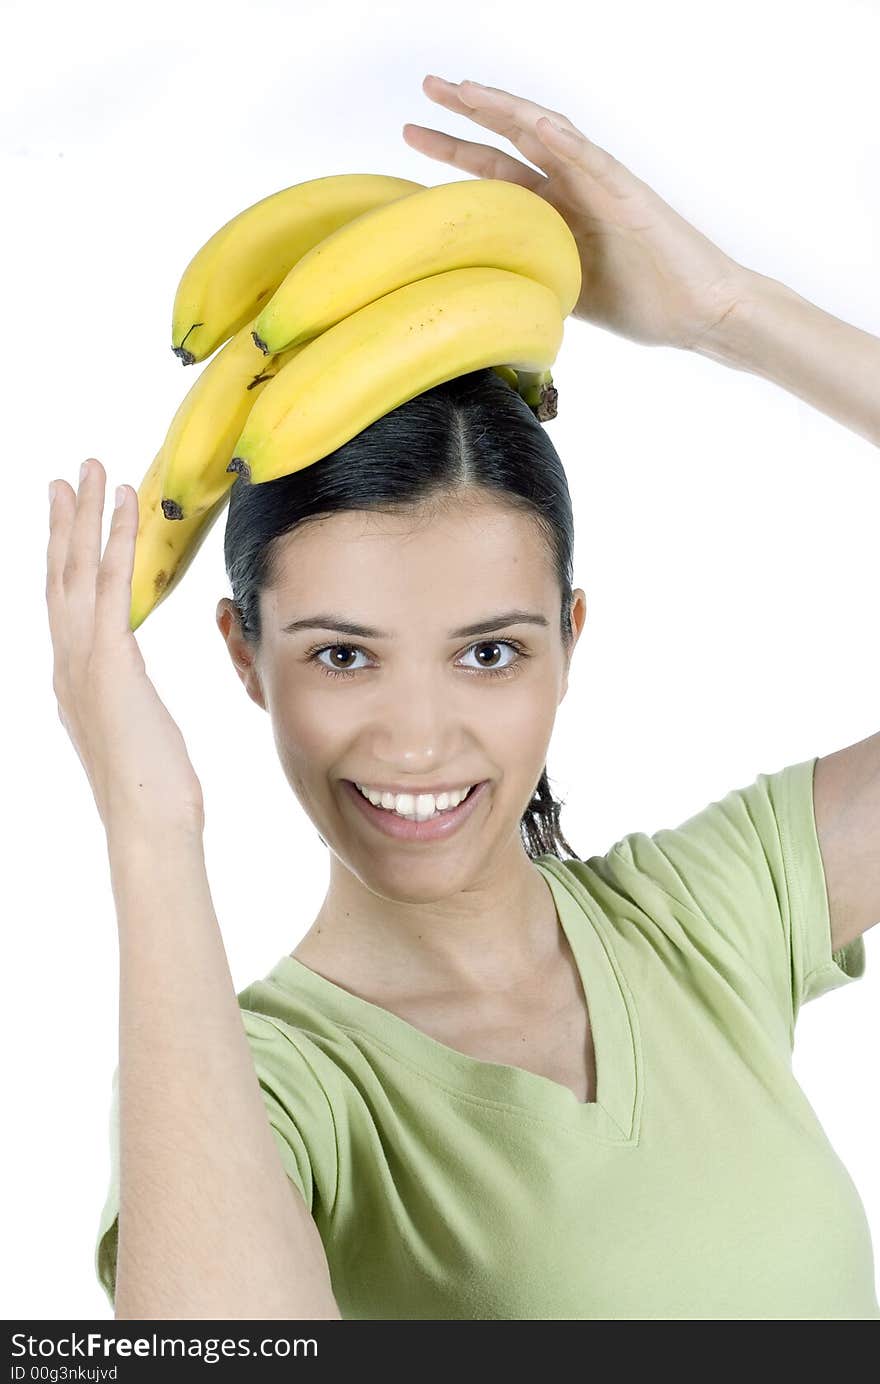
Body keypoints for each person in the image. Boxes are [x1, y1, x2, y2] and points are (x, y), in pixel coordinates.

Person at [47, 76, 878, 1320]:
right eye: (342, 655)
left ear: (567, 638)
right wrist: (146, 829)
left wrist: (726, 312)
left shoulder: (709, 921)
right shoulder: (274, 1086)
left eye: (488, 652)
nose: (420, 738)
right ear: (241, 652)